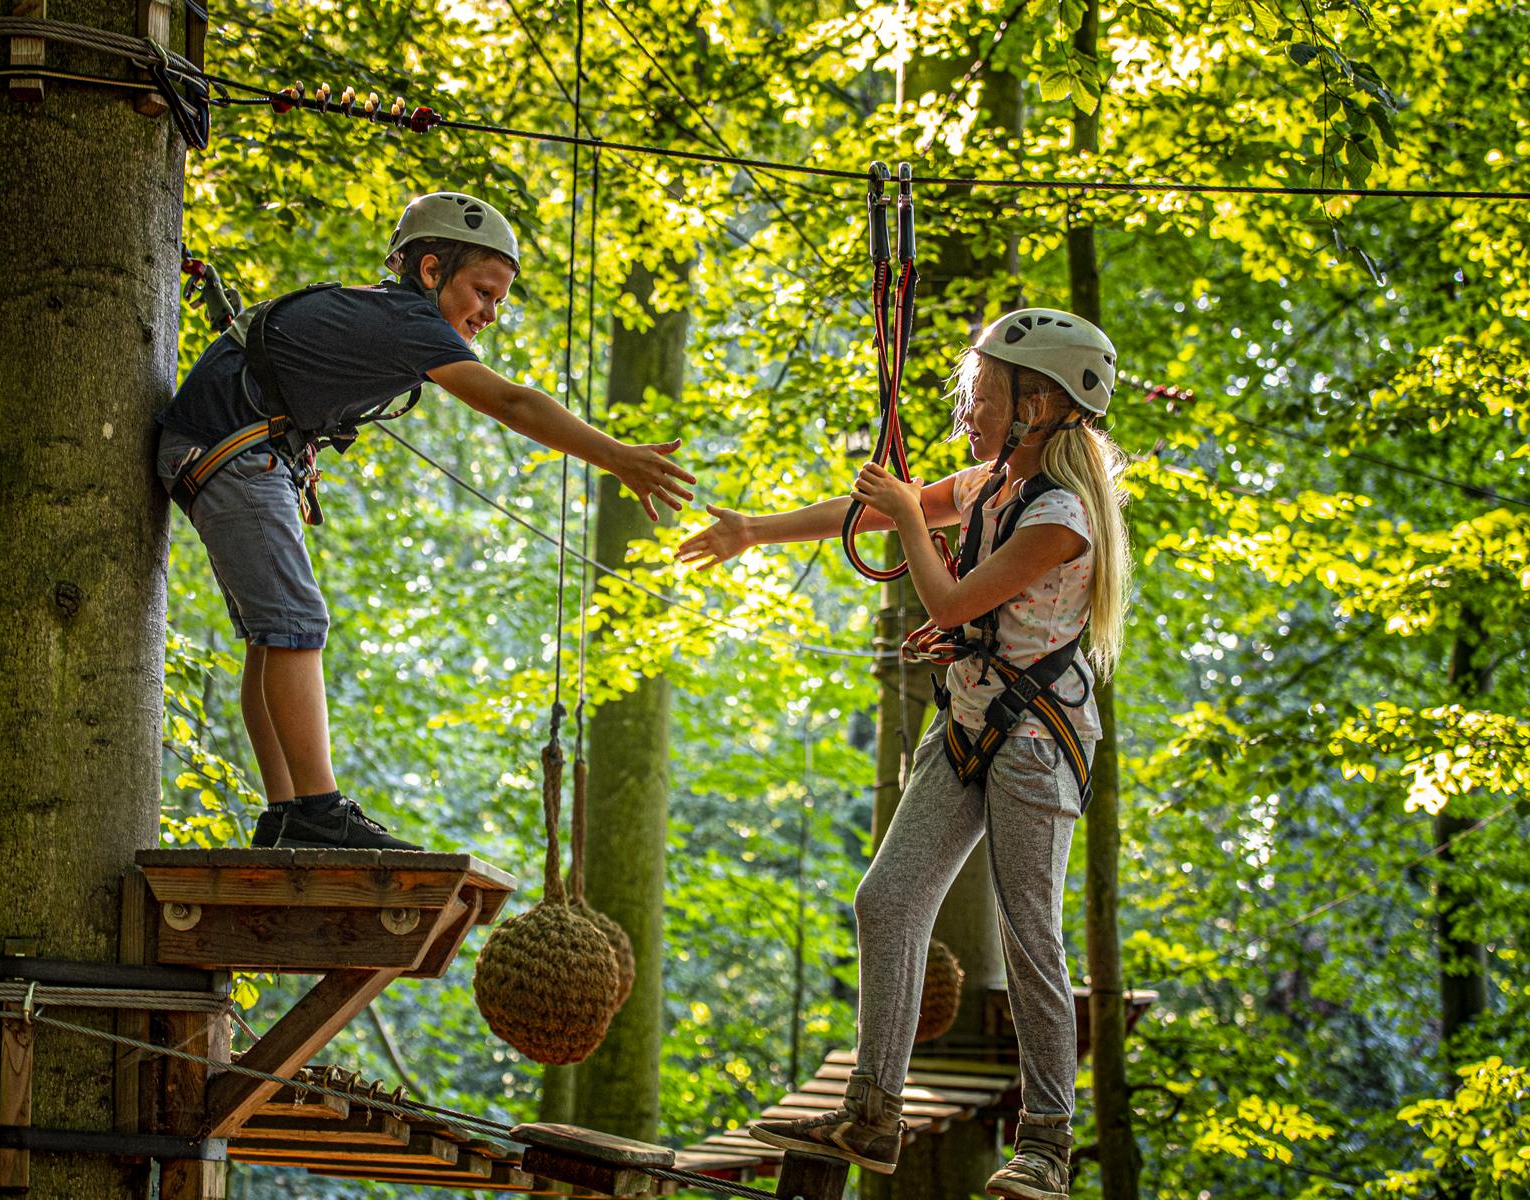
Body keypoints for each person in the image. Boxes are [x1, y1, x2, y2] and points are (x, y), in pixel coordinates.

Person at [676, 309, 1130, 1197]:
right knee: (887, 900)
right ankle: (873, 1109)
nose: (968, 413)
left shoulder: (1067, 515)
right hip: (964, 724)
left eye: (984, 397)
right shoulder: (992, 485)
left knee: (1028, 930)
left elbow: (954, 598)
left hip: (1037, 742)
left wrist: (917, 540)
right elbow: (882, 520)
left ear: (1039, 405)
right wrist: (751, 532)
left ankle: (1045, 1146)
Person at [158, 192, 695, 852]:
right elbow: (510, 401)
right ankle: (319, 809)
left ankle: (288, 811)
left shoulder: (388, 317)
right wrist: (617, 457)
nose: (490, 314)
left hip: (229, 444)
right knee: (296, 625)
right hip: (233, 447)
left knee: (275, 635)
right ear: (432, 269)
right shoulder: (408, 322)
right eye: (483, 291)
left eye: (499, 301)